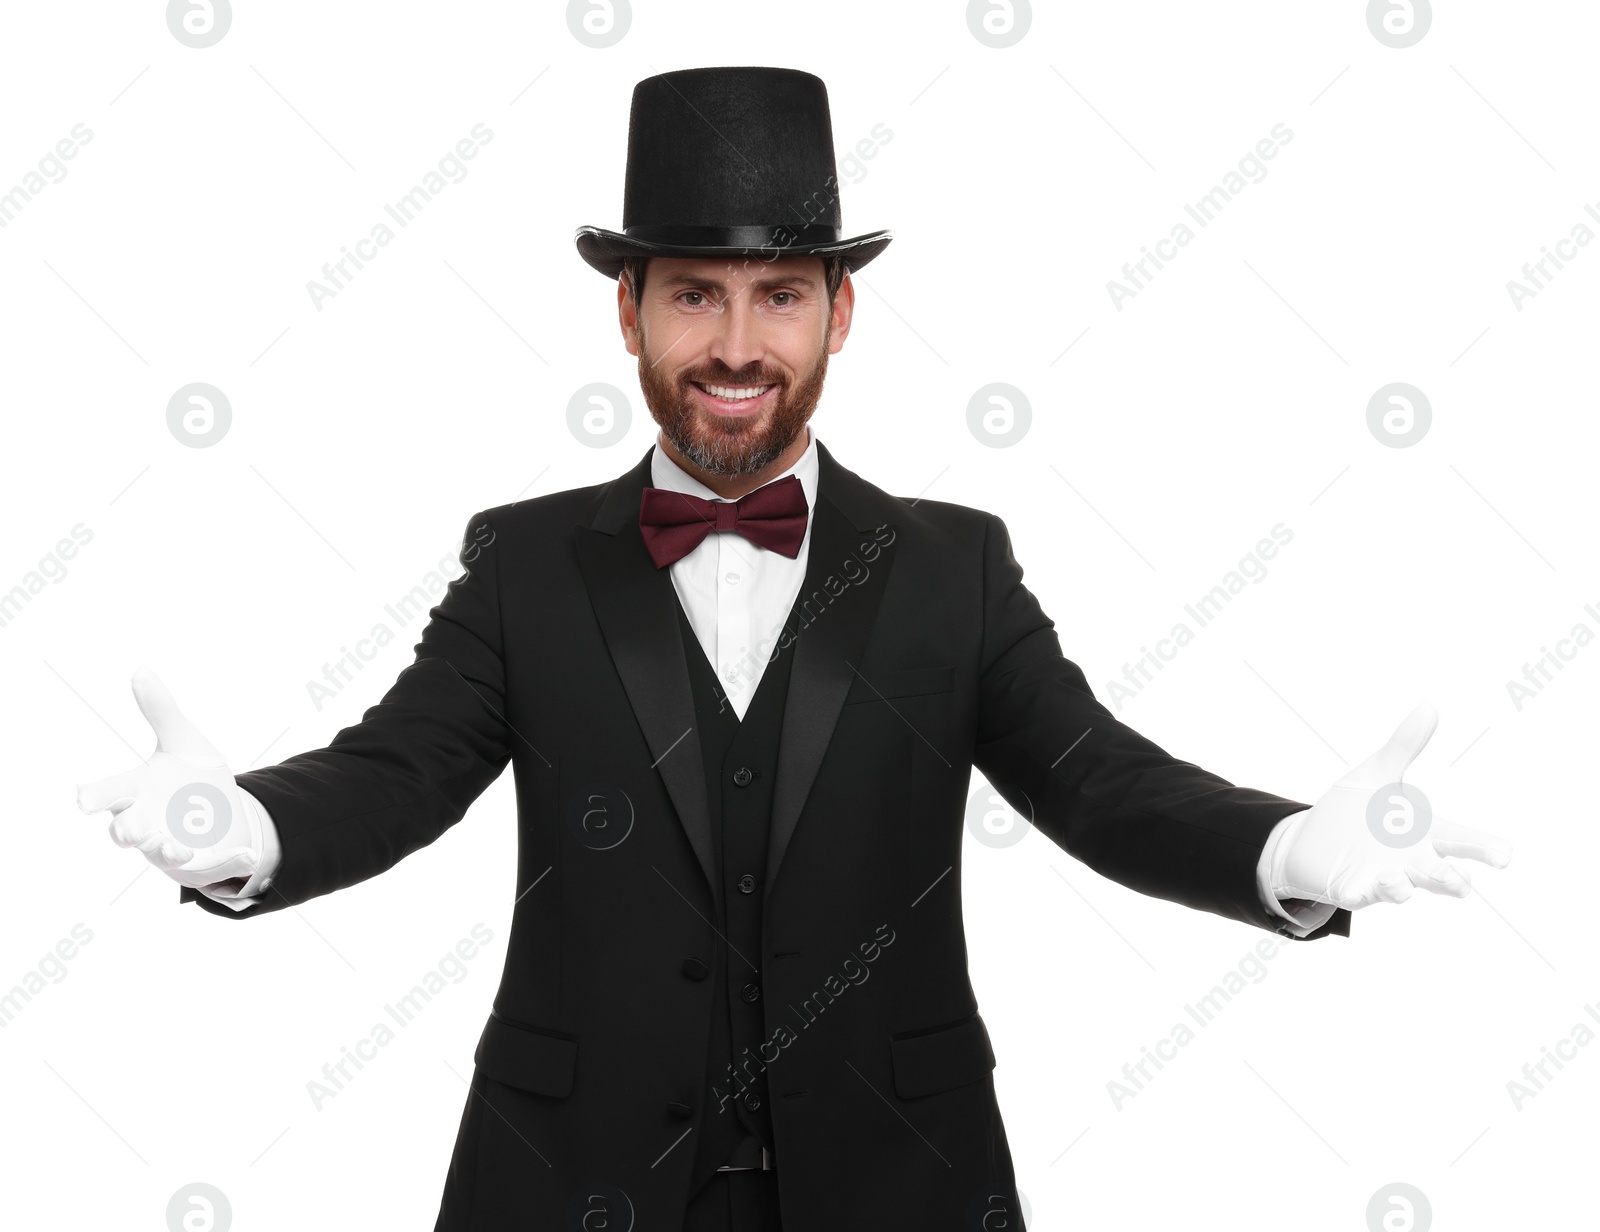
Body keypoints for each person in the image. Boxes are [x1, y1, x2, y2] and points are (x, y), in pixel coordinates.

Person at [76, 67, 1512, 1232]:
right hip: (573, 1180)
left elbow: (1101, 783)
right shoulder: (526, 561)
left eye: (778, 295)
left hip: (897, 1181)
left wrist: (1285, 856)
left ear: (840, 312)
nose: (736, 342)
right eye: (694, 292)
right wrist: (241, 824)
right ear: (628, 310)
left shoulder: (951, 563)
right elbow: (392, 774)